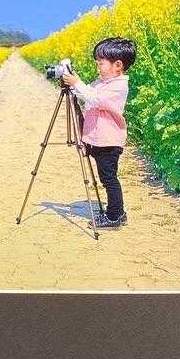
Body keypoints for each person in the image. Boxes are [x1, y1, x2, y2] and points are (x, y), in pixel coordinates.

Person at [61, 37, 136, 229]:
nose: (97, 66)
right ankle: (115, 213)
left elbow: (95, 99)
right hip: (97, 139)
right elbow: (86, 94)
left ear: (117, 65)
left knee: (109, 179)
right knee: (106, 177)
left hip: (108, 141)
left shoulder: (119, 86)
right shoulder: (102, 82)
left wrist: (77, 83)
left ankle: (115, 215)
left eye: (101, 63)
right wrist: (73, 84)